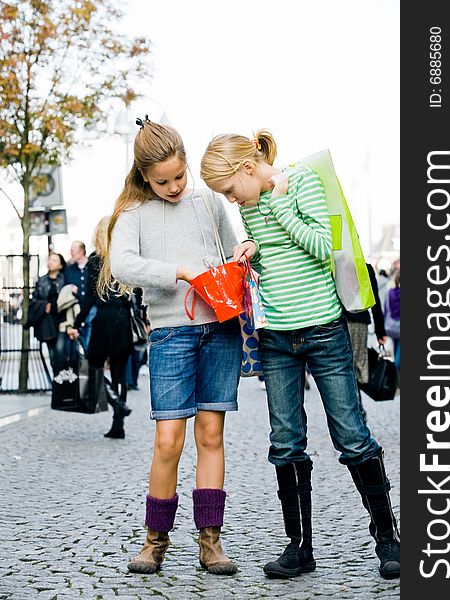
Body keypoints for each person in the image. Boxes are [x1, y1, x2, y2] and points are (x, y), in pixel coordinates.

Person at [200, 130, 400, 580]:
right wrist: (251, 251)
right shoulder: (251, 206)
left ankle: (388, 539)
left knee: (352, 436)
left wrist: (282, 206)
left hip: (324, 332)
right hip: (276, 341)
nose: (233, 201)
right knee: (285, 443)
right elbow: (274, 259)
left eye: (231, 191)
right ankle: (300, 547)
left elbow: (323, 249)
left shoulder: (303, 181)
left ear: (247, 168)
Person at [101, 117, 242, 575]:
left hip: (218, 330)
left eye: (180, 176)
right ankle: (154, 541)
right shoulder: (134, 214)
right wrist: (179, 272)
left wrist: (245, 255)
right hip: (170, 333)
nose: (175, 186)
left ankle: (211, 543)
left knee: (211, 435)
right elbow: (122, 263)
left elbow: (232, 248)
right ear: (145, 176)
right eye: (162, 181)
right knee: (167, 440)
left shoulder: (207, 201)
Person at [67, 217, 133, 439]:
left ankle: (116, 403)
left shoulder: (96, 260)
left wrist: (77, 323)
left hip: (104, 319)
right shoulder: (126, 255)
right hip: (123, 320)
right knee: (119, 372)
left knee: (94, 367)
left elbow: (89, 299)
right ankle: (119, 423)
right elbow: (139, 292)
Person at [344, 262, 387, 422]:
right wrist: (380, 332)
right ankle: (357, 409)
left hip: (339, 320)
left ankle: (355, 409)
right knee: (357, 367)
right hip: (359, 322)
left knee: (345, 366)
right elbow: (374, 300)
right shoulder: (364, 267)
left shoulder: (338, 265)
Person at [24, 252, 67, 373]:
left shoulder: (64, 279)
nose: (50, 262)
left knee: (60, 351)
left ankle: (63, 381)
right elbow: (34, 300)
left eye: (54, 260)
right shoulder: (42, 281)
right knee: (52, 355)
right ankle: (57, 384)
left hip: (62, 321)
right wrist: (43, 306)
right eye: (50, 260)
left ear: (60, 265)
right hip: (48, 322)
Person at [64, 240, 95, 351]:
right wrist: (70, 288)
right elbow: (64, 286)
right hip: (75, 308)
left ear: (82, 250)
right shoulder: (69, 270)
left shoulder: (92, 266)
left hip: (92, 307)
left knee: (90, 332)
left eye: (74, 249)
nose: (71, 252)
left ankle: (89, 357)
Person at [383, 269, 400, 378]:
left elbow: (385, 310)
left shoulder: (389, 293)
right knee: (398, 357)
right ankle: (396, 377)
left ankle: (397, 379)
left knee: (395, 351)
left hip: (390, 327)